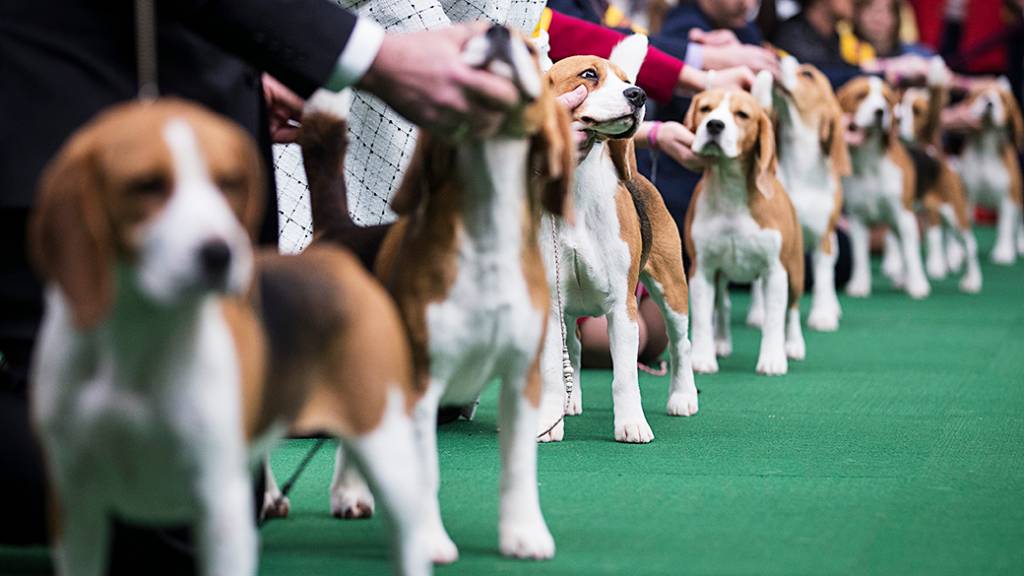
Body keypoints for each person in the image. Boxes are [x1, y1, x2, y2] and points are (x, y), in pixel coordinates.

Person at [0, 0, 521, 564]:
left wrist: (247, 65)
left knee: (196, 509)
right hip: (47, 111)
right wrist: (371, 54)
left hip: (214, 85)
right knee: (87, 480)